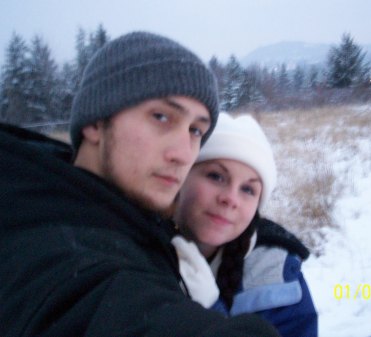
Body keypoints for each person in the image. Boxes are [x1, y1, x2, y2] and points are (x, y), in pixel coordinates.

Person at [0, 32, 279, 337]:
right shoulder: (58, 251)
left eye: (196, 131)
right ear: (95, 122)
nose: (184, 154)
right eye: (161, 117)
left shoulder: (71, 201)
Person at [171, 113, 318, 337]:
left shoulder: (279, 277)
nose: (231, 198)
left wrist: (210, 313)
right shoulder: (126, 248)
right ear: (182, 177)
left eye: (248, 190)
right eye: (216, 176)